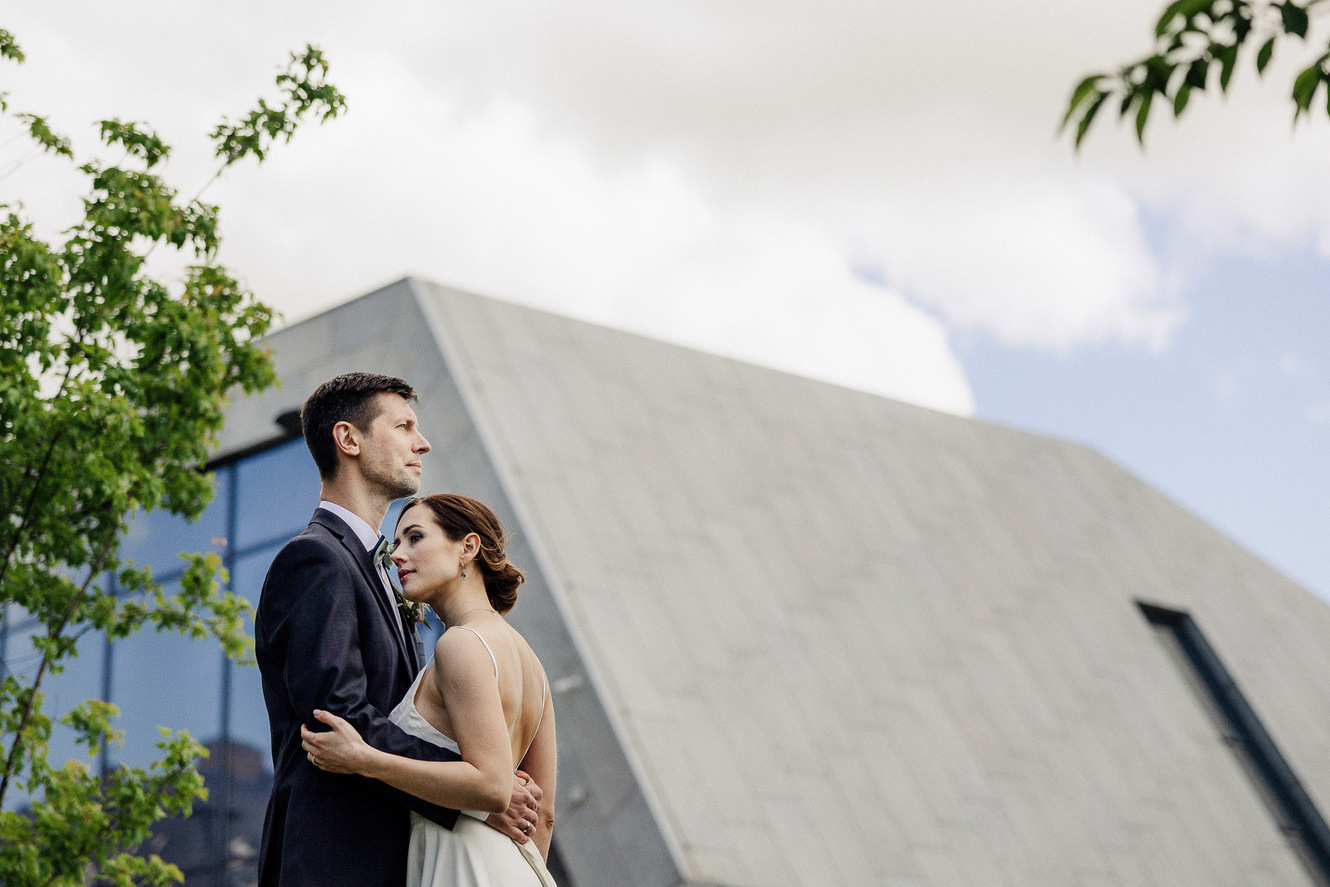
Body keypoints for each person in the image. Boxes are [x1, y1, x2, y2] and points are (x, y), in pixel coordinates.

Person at [255, 373, 540, 887]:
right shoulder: (315, 559)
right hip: (334, 860)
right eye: (404, 426)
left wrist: (479, 788)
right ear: (349, 440)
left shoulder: (386, 576)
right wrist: (477, 793)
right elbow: (335, 716)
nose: (422, 443)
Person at [300, 493, 558, 887]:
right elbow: (545, 815)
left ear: (468, 548)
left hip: (461, 865)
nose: (397, 555)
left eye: (415, 537)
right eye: (396, 543)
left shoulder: (460, 644)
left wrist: (365, 759)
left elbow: (492, 786)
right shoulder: (533, 665)